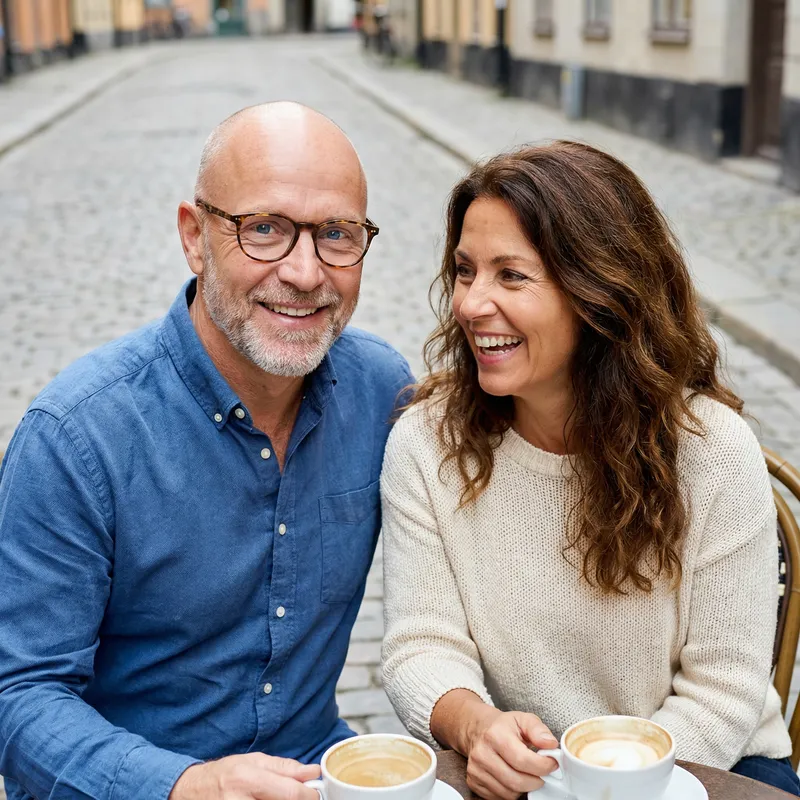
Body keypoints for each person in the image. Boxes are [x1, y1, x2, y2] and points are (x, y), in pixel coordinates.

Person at [0, 102, 412, 800]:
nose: (307, 272)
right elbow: (17, 696)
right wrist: (186, 785)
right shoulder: (76, 438)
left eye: (337, 234)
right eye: (265, 230)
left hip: (315, 776)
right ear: (194, 237)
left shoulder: (381, 395)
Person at [380, 141, 800, 797]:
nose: (469, 304)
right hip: (528, 777)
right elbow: (419, 646)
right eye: (465, 271)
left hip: (708, 769)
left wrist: (597, 784)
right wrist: (476, 725)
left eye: (511, 276)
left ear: (599, 293)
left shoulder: (712, 449)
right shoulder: (427, 445)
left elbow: (723, 690)